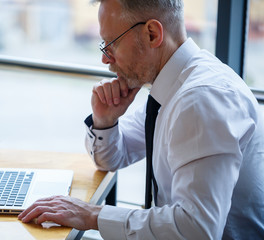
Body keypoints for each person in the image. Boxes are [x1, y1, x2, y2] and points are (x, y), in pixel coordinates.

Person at [18, 0, 264, 239]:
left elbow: (196, 230)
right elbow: (114, 157)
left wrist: (92, 215)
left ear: (152, 34)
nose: (105, 59)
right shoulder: (172, 86)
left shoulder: (200, 101)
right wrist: (105, 121)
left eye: (111, 43)